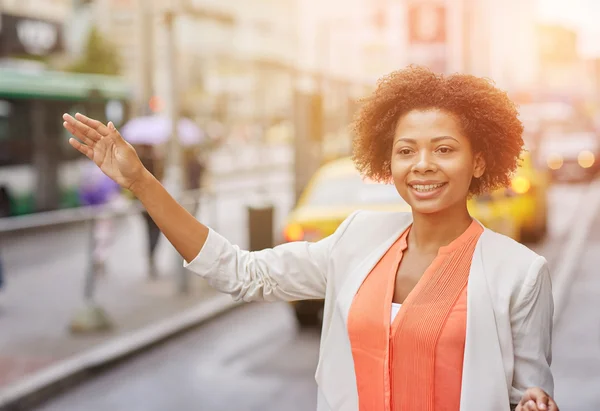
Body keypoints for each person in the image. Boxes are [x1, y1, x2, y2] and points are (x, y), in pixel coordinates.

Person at [62, 66, 558, 411]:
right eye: (406, 150)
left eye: (444, 149)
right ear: (390, 162)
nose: (423, 164)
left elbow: (527, 394)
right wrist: (142, 183)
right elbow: (241, 274)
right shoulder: (359, 238)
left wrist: (536, 403)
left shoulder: (518, 273)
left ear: (478, 160)